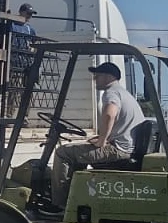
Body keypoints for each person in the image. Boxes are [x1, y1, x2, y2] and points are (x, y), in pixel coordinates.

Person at [51, 61, 145, 208]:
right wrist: (104, 138)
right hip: (126, 148)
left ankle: (60, 205)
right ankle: (76, 197)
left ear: (108, 76)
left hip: (119, 151)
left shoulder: (111, 93)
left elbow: (109, 115)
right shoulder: (124, 93)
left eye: (97, 76)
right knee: (79, 152)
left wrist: (102, 141)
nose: (95, 79)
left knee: (63, 153)